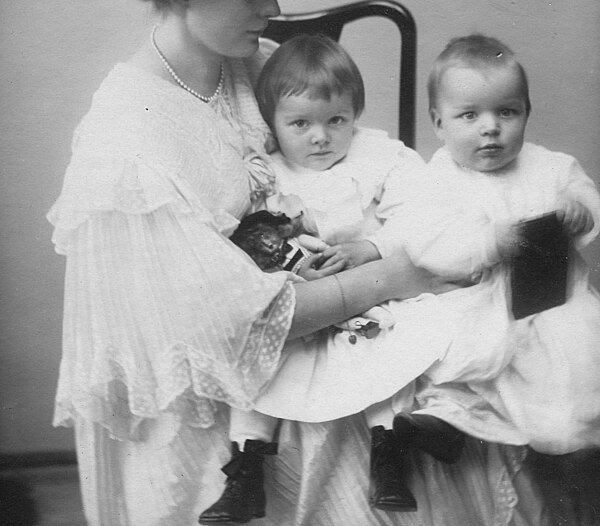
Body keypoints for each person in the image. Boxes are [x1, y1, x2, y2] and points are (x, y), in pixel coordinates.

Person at [48, 0, 546, 526]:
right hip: (209, 402)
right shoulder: (127, 147)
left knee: (480, 351)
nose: (274, 7)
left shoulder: (246, 64)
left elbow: (354, 161)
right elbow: (233, 329)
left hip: (309, 322)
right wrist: (394, 273)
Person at [201, 34, 523, 521]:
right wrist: (289, 264)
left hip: (373, 289)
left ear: (356, 114)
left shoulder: (379, 158)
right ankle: (246, 469)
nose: (320, 137)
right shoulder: (266, 173)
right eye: (300, 124)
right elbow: (249, 237)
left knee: (389, 354)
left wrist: (370, 247)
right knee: (258, 364)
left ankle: (387, 453)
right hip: (304, 298)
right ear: (273, 123)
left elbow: (420, 218)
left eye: (337, 120)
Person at [398, 34, 600, 456]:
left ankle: (572, 438)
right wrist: (489, 241)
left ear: (527, 113)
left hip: (553, 300)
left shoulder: (550, 166)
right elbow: (425, 241)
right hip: (480, 300)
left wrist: (580, 212)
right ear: (439, 123)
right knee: (457, 353)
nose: (490, 127)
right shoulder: (437, 177)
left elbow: (588, 204)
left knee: (574, 358)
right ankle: (455, 418)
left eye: (506, 112)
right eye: (469, 115)